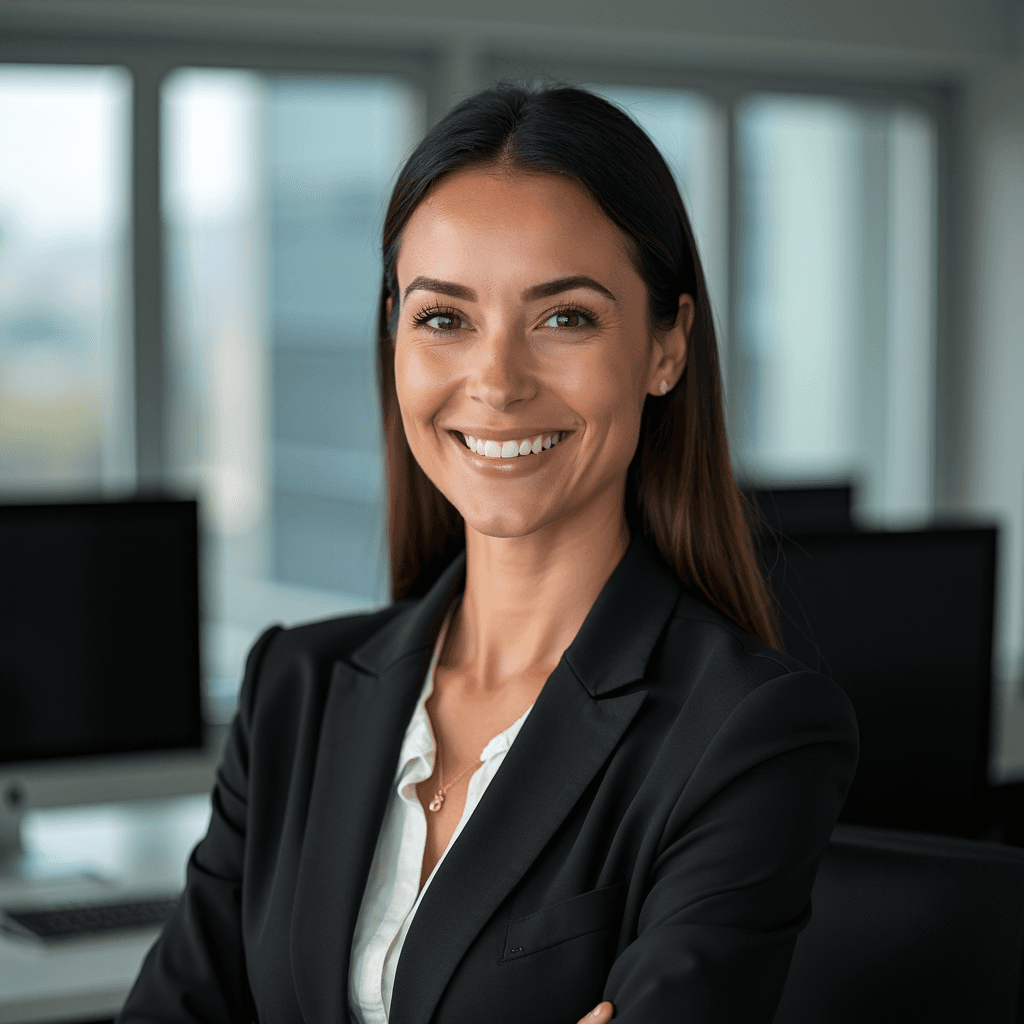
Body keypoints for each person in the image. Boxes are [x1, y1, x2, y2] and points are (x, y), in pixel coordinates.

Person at [119, 83, 858, 1024]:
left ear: (667, 345)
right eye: (444, 317)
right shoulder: (292, 694)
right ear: (394, 334)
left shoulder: (748, 732)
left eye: (565, 318)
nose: (497, 382)